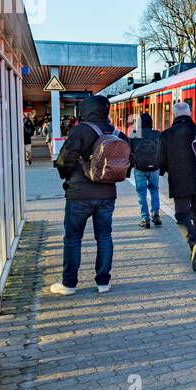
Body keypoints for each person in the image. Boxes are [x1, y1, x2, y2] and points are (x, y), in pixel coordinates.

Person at [51, 95, 125, 295]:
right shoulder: (116, 132)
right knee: (104, 237)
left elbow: (64, 160)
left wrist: (67, 175)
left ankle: (69, 285)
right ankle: (103, 282)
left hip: (79, 194)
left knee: (73, 239)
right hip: (107, 194)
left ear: (85, 110)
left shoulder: (80, 130)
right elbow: (128, 160)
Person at [158, 101, 196, 272]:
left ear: (174, 115)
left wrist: (164, 169)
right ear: (190, 114)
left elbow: (160, 162)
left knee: (181, 215)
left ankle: (194, 242)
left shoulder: (166, 135)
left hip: (179, 182)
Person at [129, 111, 163, 229]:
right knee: (154, 190)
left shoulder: (135, 134)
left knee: (141, 194)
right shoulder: (157, 134)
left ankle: (145, 219)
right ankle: (156, 215)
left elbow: (129, 151)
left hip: (140, 168)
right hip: (154, 167)